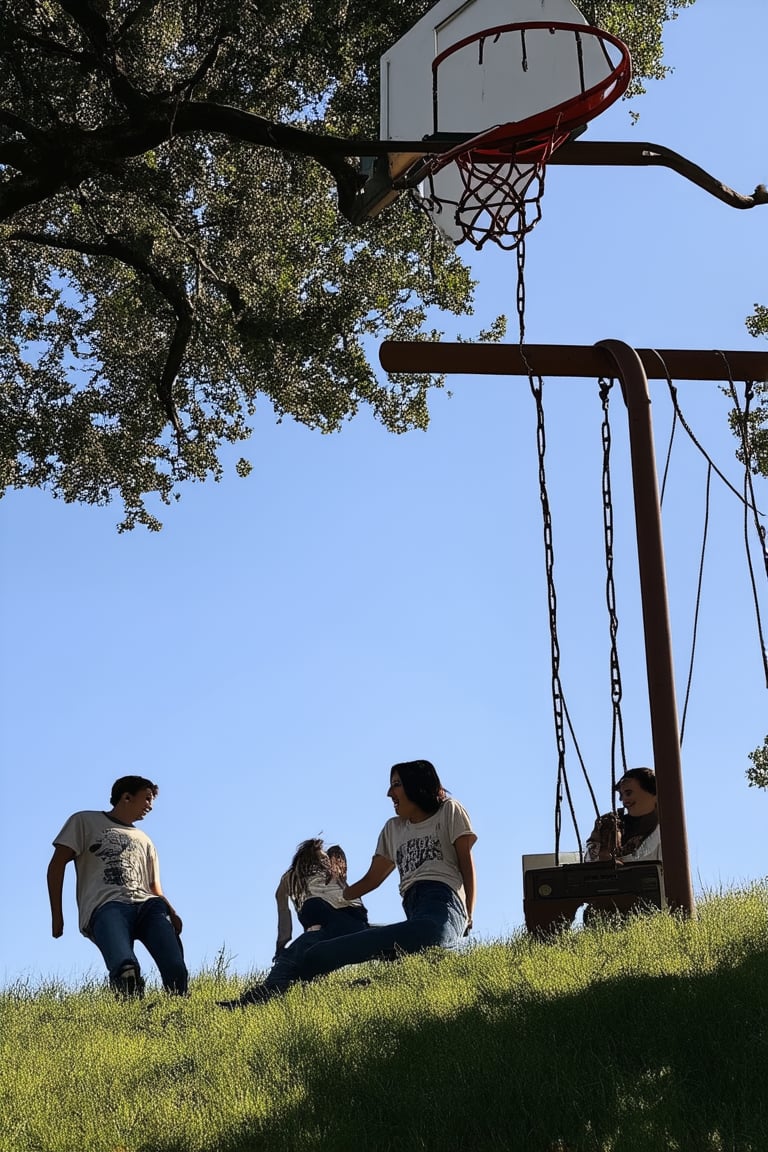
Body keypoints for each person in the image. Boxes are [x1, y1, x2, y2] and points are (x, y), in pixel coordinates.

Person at [222, 759, 476, 1006]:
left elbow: (466, 862)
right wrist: (342, 895)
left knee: (421, 935)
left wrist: (468, 913)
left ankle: (424, 954)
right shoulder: (393, 829)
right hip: (406, 908)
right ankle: (330, 985)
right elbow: (373, 878)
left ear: (416, 785)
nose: (389, 793)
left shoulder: (449, 810)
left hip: (441, 903)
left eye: (396, 784)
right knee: (391, 941)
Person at [46, 776, 188, 998]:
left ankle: (179, 1012)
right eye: (147, 798)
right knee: (125, 970)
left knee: (176, 969)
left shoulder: (145, 840)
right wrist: (57, 916)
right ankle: (131, 1016)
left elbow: (153, 887)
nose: (150, 806)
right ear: (127, 797)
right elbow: (56, 866)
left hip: (149, 906)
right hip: (107, 906)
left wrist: (172, 911)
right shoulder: (84, 821)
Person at [273, 838, 369, 957]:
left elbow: (284, 914)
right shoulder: (332, 869)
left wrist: (281, 946)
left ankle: (316, 932)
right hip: (355, 917)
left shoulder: (290, 878)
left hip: (337, 915)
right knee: (312, 906)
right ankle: (318, 933)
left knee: (311, 906)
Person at [584, 767, 660, 863]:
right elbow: (591, 865)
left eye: (628, 793)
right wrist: (599, 842)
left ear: (653, 793)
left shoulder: (666, 833)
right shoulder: (615, 825)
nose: (623, 799)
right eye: (621, 794)